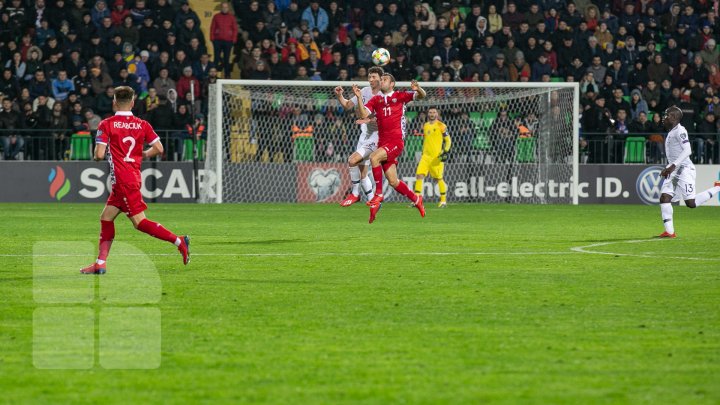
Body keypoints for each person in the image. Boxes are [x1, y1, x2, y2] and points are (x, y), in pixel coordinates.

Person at [80, 86, 190, 274]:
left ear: (114, 102)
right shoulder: (142, 124)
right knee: (106, 218)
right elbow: (160, 148)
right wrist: (145, 154)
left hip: (122, 181)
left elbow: (98, 155)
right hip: (129, 179)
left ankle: (180, 241)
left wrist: (99, 153)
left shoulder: (107, 124)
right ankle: (100, 263)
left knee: (140, 223)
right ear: (132, 103)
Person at [351, 74, 427, 223]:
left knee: (374, 157)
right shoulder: (376, 100)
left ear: (392, 84)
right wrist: (359, 98)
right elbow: (364, 113)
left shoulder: (400, 96)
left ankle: (378, 194)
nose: (381, 81)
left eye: (384, 79)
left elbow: (422, 96)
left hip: (396, 142)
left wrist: (418, 89)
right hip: (383, 143)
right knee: (393, 181)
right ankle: (416, 198)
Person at [657, 106, 720, 238]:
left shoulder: (680, 131)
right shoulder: (671, 131)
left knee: (691, 203)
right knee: (664, 198)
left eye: (666, 115)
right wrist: (671, 166)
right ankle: (669, 232)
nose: (664, 118)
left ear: (673, 117)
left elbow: (688, 150)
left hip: (684, 169)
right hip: (674, 169)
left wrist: (672, 166)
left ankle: (717, 188)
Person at [334, 66, 384, 207]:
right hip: (365, 134)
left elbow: (378, 116)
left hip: (378, 135)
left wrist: (367, 118)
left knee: (353, 161)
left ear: (381, 78)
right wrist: (339, 96)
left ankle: (356, 194)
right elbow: (347, 105)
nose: (371, 79)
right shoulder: (364, 91)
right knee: (362, 172)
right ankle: (373, 201)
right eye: (369, 77)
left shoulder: (384, 95)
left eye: (374, 77)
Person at [414, 107, 451, 207]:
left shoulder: (441, 126)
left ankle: (443, 201)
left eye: (434, 112)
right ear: (428, 114)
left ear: (437, 114)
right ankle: (417, 200)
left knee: (438, 178)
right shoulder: (425, 125)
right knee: (419, 175)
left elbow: (448, 140)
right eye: (430, 112)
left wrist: (445, 151)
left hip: (436, 157)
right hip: (425, 156)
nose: (432, 114)